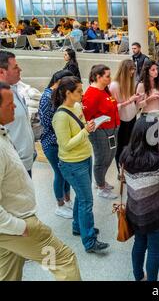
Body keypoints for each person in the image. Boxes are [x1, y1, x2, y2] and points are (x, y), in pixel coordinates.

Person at [0, 81, 81, 280]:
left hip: (10, 227)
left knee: (7, 273)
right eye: (10, 104)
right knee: (63, 260)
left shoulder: (3, 134)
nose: (15, 108)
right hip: (16, 225)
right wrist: (20, 227)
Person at [52, 76, 109, 253]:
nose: (82, 94)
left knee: (82, 197)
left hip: (85, 157)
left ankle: (79, 227)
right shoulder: (60, 116)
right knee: (86, 200)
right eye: (78, 91)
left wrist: (88, 126)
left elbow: (82, 127)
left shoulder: (77, 107)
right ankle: (90, 241)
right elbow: (66, 144)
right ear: (67, 93)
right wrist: (85, 131)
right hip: (72, 164)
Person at [120, 116, 159, 281]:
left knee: (139, 244)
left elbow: (123, 178)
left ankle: (138, 276)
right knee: (154, 251)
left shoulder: (125, 154)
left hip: (134, 211)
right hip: (155, 215)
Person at [38, 70, 74, 219]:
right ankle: (59, 205)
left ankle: (67, 199)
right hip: (52, 143)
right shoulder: (47, 98)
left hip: (62, 141)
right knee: (59, 173)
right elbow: (48, 123)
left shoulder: (57, 95)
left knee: (66, 173)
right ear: (59, 82)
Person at [82, 65, 120, 199]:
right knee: (101, 159)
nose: (110, 78)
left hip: (111, 129)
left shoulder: (105, 90)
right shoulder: (92, 94)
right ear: (98, 77)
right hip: (101, 132)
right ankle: (100, 187)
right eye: (107, 76)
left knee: (109, 156)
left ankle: (101, 180)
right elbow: (87, 117)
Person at [0, 51, 35, 176]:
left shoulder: (14, 90)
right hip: (13, 166)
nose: (20, 69)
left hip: (25, 161)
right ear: (1, 72)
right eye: (15, 67)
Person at [109, 59, 141, 174]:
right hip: (121, 120)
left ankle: (128, 166)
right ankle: (120, 170)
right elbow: (114, 107)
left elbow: (130, 101)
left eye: (133, 70)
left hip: (132, 117)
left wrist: (137, 99)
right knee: (121, 146)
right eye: (130, 70)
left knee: (130, 144)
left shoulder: (129, 83)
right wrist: (129, 101)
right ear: (124, 70)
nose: (132, 73)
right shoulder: (114, 86)